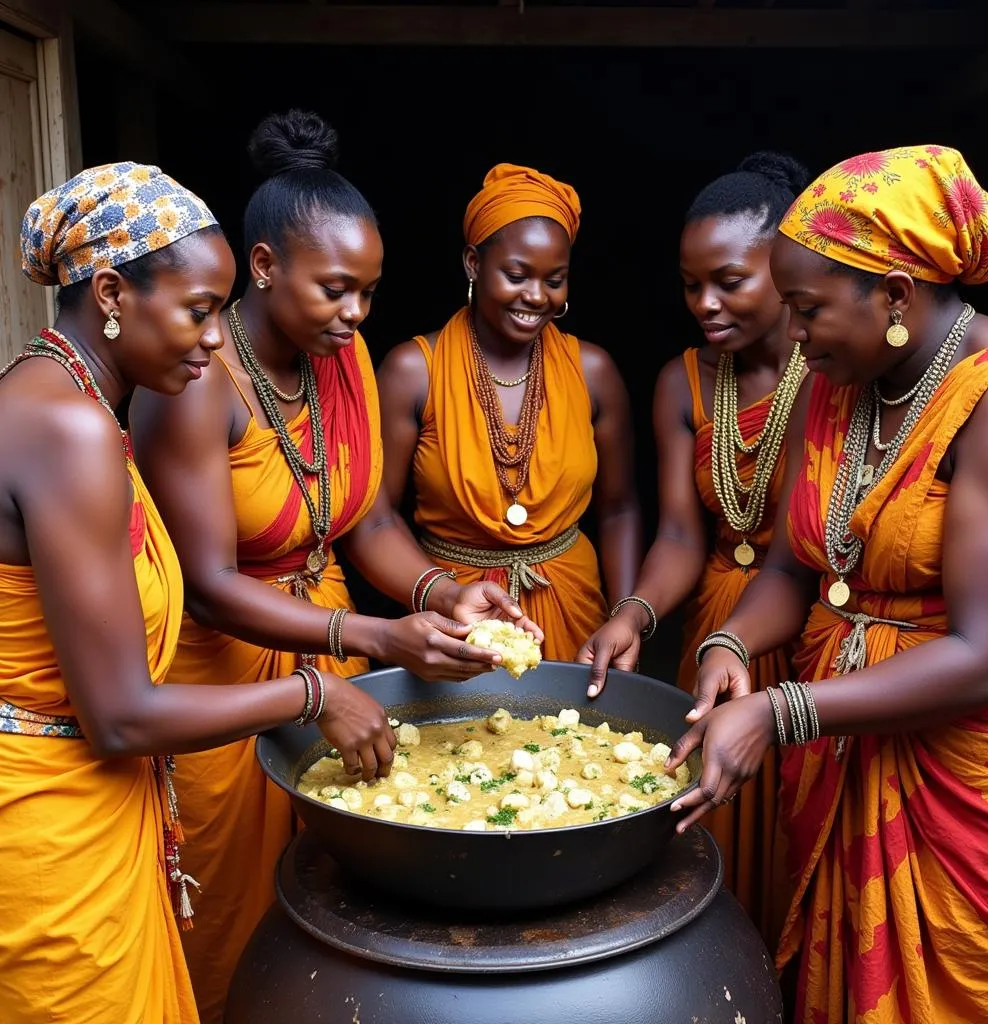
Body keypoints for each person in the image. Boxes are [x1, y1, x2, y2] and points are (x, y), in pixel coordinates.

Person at [130, 113, 536, 1024]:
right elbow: (207, 583)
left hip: (335, 663)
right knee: (234, 907)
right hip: (226, 683)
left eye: (369, 292)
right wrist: (375, 633)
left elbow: (364, 521)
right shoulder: (195, 382)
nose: (357, 315)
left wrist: (439, 591)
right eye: (337, 291)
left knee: (341, 893)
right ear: (265, 267)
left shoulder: (343, 359)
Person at [0, 162, 399, 1022]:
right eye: (199, 310)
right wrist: (313, 691)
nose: (217, 339)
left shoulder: (74, 401)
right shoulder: (67, 427)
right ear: (111, 292)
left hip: (86, 803)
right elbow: (119, 717)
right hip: (50, 818)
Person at [669, 145, 988, 1023]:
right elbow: (796, 563)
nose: (793, 334)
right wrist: (729, 643)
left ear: (895, 295)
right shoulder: (841, 382)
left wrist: (785, 711)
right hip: (842, 743)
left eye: (808, 309)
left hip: (956, 773)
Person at [576, 152, 808, 939]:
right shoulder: (683, 381)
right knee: (703, 836)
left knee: (797, 844)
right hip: (713, 639)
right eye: (689, 283)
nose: (704, 303)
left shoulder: (836, 373)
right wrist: (634, 613)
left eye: (730, 281)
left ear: (786, 266)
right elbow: (680, 531)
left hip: (806, 636)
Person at [377, 163, 641, 662]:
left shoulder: (593, 371)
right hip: (452, 621)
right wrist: (437, 592)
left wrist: (625, 614)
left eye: (555, 279)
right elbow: (374, 518)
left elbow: (621, 507)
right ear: (473, 263)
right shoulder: (414, 371)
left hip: (575, 612)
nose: (536, 296)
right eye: (517, 275)